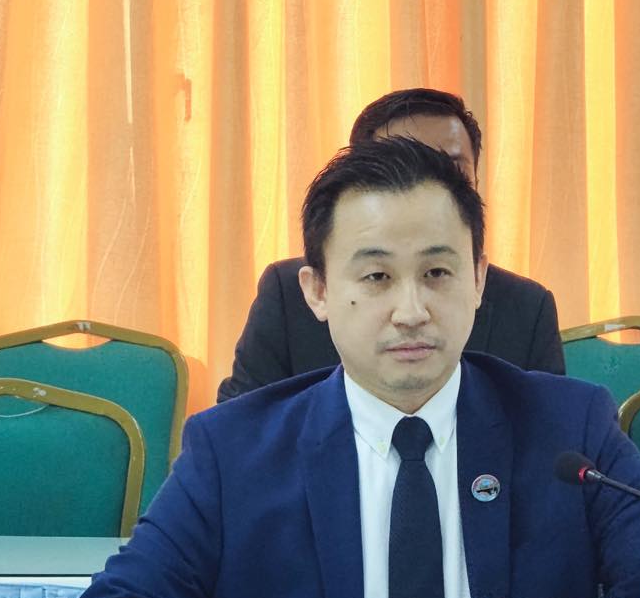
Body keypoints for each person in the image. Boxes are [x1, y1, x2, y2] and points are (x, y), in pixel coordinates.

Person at [50, 137, 640, 598]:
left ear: (478, 280)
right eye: (377, 278)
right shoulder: (235, 450)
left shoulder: (568, 427)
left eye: (437, 273)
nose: (411, 311)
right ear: (318, 291)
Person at [215, 88, 564, 402]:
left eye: (451, 172)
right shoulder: (287, 294)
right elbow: (241, 426)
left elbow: (550, 432)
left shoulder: (526, 306)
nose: (425, 188)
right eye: (399, 166)